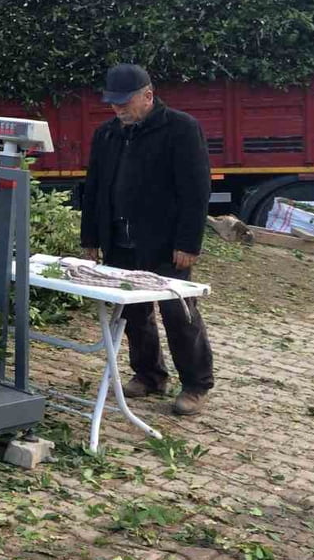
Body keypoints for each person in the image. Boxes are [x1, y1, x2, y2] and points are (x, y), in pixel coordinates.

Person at [80, 64, 215, 416]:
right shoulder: (106, 134)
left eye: (125, 102)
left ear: (148, 96)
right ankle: (149, 374)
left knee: (178, 313)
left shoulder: (181, 130)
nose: (118, 109)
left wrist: (189, 243)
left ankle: (196, 384)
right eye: (113, 103)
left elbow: (196, 191)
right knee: (133, 313)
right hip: (119, 241)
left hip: (166, 243)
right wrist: (91, 238)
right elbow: (93, 189)